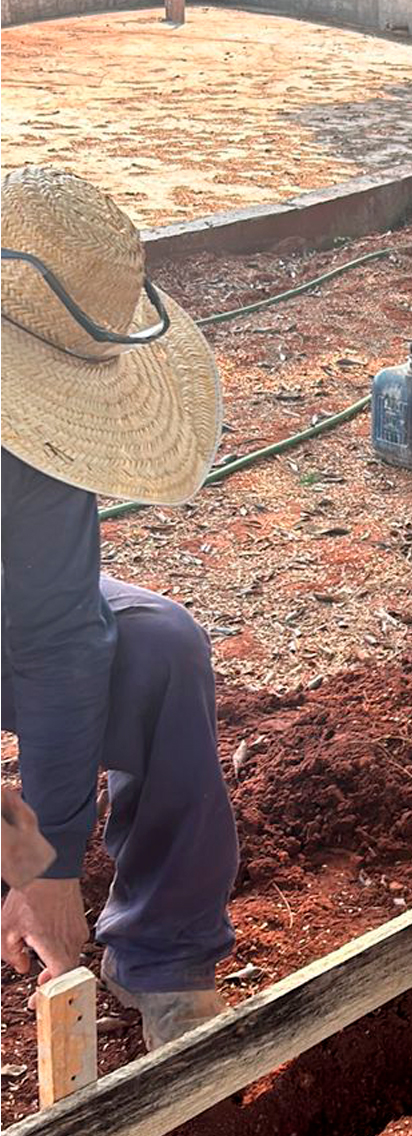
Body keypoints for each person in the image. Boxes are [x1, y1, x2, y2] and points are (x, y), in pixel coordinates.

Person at [1, 165, 239, 1049]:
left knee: (159, 650)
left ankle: (164, 952)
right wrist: (29, 859)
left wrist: (49, 861)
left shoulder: (27, 455)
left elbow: (59, 633)